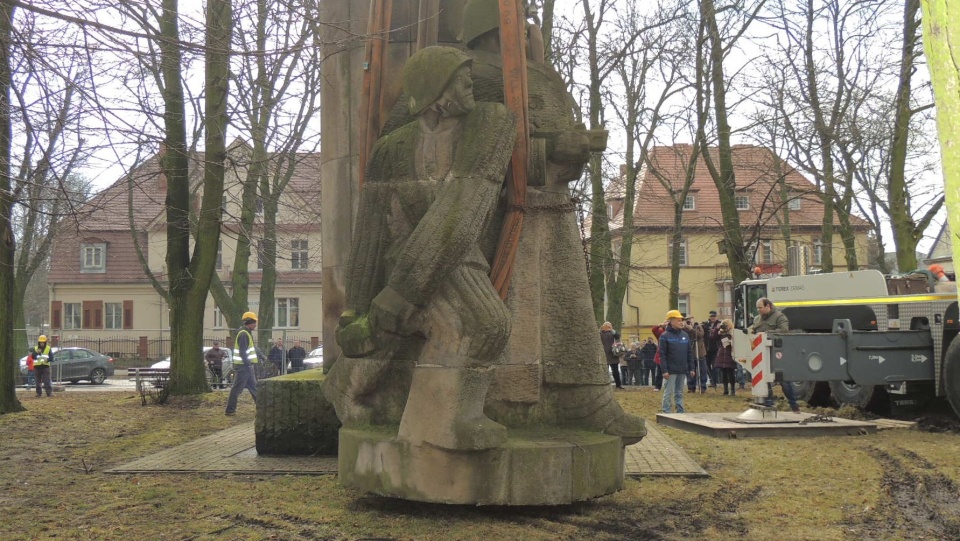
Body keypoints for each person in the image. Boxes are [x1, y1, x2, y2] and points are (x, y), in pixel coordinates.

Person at [750, 297, 800, 413]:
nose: (758, 310)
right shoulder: (757, 319)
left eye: (760, 307)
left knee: (784, 380)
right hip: (762, 354)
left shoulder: (779, 317)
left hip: (777, 353)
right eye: (757, 308)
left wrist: (766, 334)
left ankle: (794, 405)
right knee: (764, 379)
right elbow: (753, 331)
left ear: (768, 306)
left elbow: (784, 331)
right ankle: (769, 403)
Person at [226, 311, 263, 416]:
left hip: (246, 366)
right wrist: (248, 364)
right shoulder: (243, 334)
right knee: (237, 389)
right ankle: (230, 410)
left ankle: (262, 408)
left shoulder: (245, 333)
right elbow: (243, 352)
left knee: (254, 387)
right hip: (244, 366)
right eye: (254, 322)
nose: (255, 325)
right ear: (249, 322)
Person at [660, 310, 696, 413]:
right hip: (670, 371)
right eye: (678, 320)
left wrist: (691, 368)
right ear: (671, 321)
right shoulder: (664, 336)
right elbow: (662, 355)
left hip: (682, 369)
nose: (681, 322)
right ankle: (666, 412)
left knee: (679, 392)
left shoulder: (685, 335)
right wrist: (664, 370)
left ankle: (680, 412)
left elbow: (689, 353)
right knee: (668, 392)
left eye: (682, 320)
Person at [713, 319, 738, 396]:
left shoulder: (733, 333)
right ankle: (725, 389)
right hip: (722, 354)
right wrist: (717, 329)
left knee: (731, 373)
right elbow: (713, 338)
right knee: (723, 373)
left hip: (730, 354)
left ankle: (733, 390)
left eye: (725, 325)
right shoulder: (721, 333)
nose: (724, 327)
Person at [685, 317, 708, 393]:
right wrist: (686, 328)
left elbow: (700, 335)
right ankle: (691, 387)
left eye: (690, 319)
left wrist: (691, 329)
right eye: (687, 320)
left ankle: (703, 386)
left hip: (700, 352)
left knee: (702, 370)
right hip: (690, 353)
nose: (689, 321)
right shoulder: (684, 329)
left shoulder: (698, 327)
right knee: (691, 370)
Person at [600, 322, 623, 389]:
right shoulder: (600, 333)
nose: (608, 327)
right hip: (605, 354)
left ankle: (618, 385)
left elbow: (618, 336)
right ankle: (606, 385)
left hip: (613, 354)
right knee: (605, 371)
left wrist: (612, 330)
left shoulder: (612, 333)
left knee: (615, 371)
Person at [704, 311, 721, 388]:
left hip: (715, 348)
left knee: (715, 366)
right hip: (707, 348)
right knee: (707, 365)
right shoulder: (706, 325)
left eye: (714, 316)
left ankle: (714, 381)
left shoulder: (719, 324)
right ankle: (711, 379)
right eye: (711, 316)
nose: (713, 318)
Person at [651, 323, 666, 390]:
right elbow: (654, 330)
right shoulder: (661, 332)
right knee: (659, 372)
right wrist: (659, 325)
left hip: (671, 355)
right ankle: (657, 386)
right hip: (660, 355)